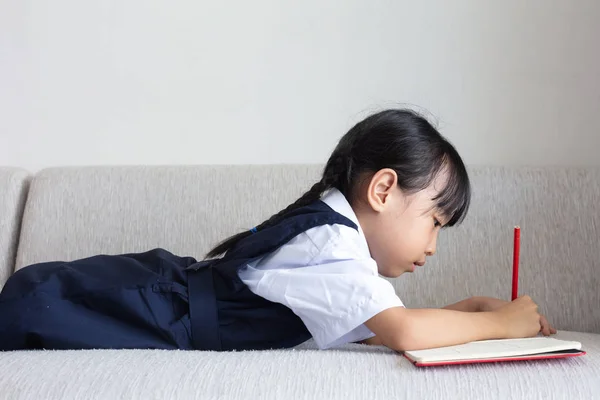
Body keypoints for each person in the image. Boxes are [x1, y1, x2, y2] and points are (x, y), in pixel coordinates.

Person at [0, 109, 556, 352]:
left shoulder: (339, 247)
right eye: (433, 222)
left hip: (169, 306)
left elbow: (379, 323)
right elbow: (404, 331)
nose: (433, 245)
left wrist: (466, 313)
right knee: (31, 304)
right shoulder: (331, 242)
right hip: (154, 308)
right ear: (384, 191)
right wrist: (502, 325)